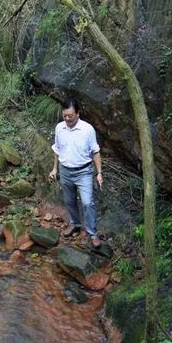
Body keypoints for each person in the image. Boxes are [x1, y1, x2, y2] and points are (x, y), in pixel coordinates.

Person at [49, 98, 104, 248]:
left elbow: (96, 152)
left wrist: (99, 172)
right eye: (65, 115)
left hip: (84, 172)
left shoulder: (87, 130)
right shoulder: (59, 128)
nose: (67, 119)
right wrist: (55, 168)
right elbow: (57, 150)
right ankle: (75, 224)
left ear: (78, 114)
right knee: (69, 201)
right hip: (65, 170)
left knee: (87, 202)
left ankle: (92, 234)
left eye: (70, 116)